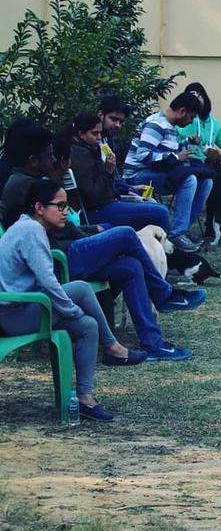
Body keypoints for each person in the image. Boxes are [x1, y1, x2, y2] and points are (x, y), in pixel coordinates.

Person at [1, 126, 202, 361]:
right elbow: (55, 233)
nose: (55, 160)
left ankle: (152, 343)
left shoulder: (34, 180)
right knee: (125, 234)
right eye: (50, 155)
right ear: (33, 161)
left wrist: (94, 234)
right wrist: (94, 236)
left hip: (64, 250)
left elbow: (64, 226)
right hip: (57, 259)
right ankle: (164, 294)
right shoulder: (22, 185)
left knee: (130, 267)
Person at [0, 181, 147, 421]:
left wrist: (74, 314)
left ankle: (85, 399)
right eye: (59, 206)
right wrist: (71, 311)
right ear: (39, 207)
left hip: (26, 308)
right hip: (12, 314)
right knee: (79, 289)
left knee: (89, 326)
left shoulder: (28, 227)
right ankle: (112, 346)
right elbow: (48, 281)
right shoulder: (31, 231)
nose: (65, 211)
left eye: (66, 205)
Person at [122, 92, 209, 252]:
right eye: (191, 117)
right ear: (182, 111)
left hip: (156, 172)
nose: (190, 121)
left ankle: (184, 228)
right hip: (138, 176)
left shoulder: (169, 126)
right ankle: (177, 234)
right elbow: (143, 155)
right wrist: (176, 157)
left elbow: (165, 151)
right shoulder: (156, 124)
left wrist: (186, 143)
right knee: (189, 179)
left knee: (206, 181)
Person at [69, 114, 171, 231]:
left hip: (107, 202)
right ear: (81, 134)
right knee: (161, 212)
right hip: (95, 210)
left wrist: (127, 189)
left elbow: (105, 185)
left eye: (100, 133)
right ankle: (157, 247)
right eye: (94, 133)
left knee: (151, 204)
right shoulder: (79, 155)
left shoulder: (88, 149)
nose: (99, 137)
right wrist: (107, 171)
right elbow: (93, 195)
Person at [174, 82, 221, 165]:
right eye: (192, 97)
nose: (196, 100)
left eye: (199, 95)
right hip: (187, 166)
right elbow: (185, 133)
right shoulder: (183, 119)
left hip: (207, 169)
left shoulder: (214, 123)